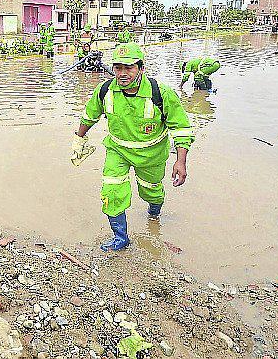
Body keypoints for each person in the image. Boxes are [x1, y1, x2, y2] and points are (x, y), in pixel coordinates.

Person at [72, 42, 194, 251]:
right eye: (118, 68)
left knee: (151, 192)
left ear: (141, 68)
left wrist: (180, 161)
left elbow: (181, 128)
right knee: (112, 191)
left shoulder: (161, 93)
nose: (122, 73)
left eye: (129, 68)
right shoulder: (105, 91)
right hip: (118, 151)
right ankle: (120, 237)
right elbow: (90, 115)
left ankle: (154, 213)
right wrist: (79, 139)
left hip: (151, 156)